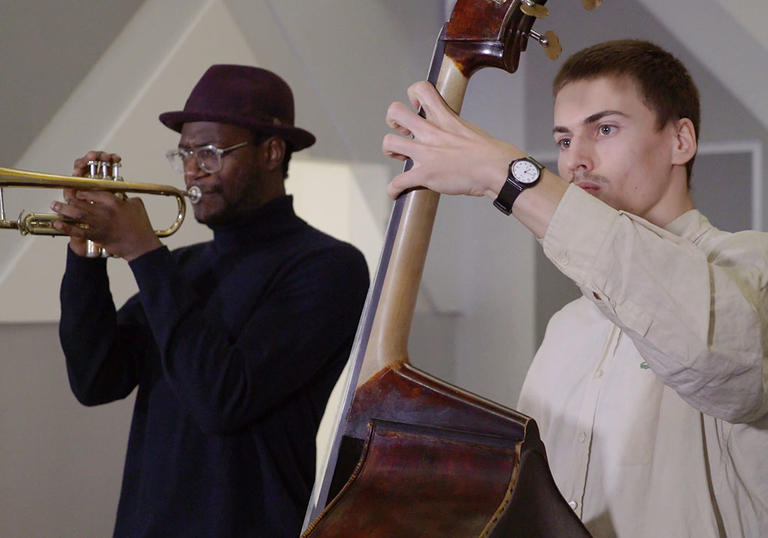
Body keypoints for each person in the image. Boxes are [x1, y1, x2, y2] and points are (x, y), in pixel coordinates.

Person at [383, 40, 768, 536]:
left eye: (604, 129)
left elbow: (722, 366)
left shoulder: (751, 269)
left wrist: (507, 176)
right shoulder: (567, 328)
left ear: (681, 141)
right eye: (563, 141)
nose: (575, 162)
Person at [51, 65, 369, 537]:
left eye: (211, 152)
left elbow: (223, 400)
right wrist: (85, 258)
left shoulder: (328, 267)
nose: (192, 169)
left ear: (272, 152)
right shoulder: (182, 267)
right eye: (184, 153)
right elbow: (96, 380)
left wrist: (143, 252)